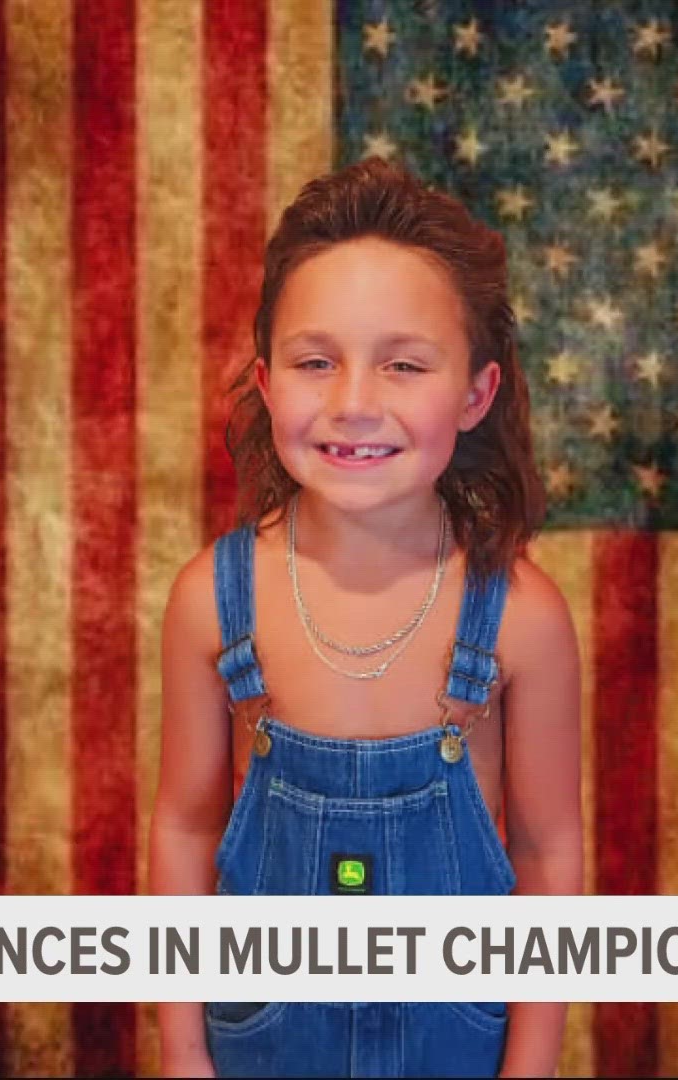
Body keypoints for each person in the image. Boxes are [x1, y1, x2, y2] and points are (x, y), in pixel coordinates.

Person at [150, 158, 583, 1078]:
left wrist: (531, 1067)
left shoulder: (522, 619)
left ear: (474, 393)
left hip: (455, 1040)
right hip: (262, 1036)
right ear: (268, 386)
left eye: (403, 364)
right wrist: (186, 1058)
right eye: (316, 361)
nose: (353, 402)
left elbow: (548, 853)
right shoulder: (208, 604)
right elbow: (186, 829)